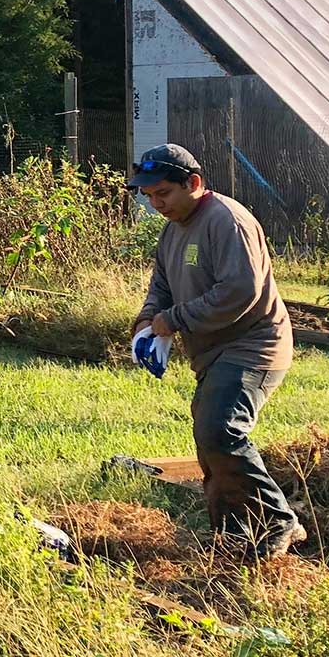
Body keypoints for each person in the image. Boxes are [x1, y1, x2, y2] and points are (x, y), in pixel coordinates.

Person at [129, 143, 302, 558]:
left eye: (164, 193)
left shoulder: (227, 221)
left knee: (220, 430)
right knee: (209, 439)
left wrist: (176, 320)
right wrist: (145, 320)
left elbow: (239, 290)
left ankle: (278, 521)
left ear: (193, 183)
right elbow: (162, 288)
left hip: (253, 346)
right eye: (150, 196)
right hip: (213, 354)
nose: (157, 204)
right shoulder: (172, 230)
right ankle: (233, 534)